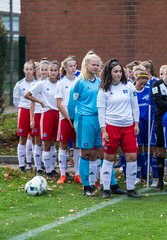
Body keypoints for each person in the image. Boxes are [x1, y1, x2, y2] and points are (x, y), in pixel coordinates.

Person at [98, 58, 141, 199]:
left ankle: (131, 189)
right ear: (109, 73)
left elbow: (135, 106)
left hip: (128, 127)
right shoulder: (104, 90)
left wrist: (136, 123)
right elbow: (101, 111)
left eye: (119, 71)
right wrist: (103, 130)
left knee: (132, 156)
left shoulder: (128, 86)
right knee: (109, 158)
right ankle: (106, 189)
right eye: (115, 71)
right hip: (111, 127)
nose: (117, 74)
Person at [67, 51, 102, 196]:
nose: (96, 67)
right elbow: (71, 104)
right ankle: (86, 186)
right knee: (86, 152)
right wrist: (74, 119)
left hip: (98, 119)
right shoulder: (79, 82)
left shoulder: (99, 82)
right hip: (84, 119)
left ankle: (96, 183)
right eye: (93, 65)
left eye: (98, 65)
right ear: (86, 65)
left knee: (99, 152)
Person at [25, 60, 60, 179]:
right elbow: (27, 95)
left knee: (53, 143)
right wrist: (39, 101)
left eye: (55, 70)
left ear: (58, 71)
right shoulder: (42, 84)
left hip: (58, 114)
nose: (53, 72)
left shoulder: (61, 83)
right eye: (51, 70)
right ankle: (46, 170)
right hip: (46, 114)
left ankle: (52, 168)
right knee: (44, 142)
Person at [55, 56, 80, 184]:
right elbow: (59, 103)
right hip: (65, 118)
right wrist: (67, 117)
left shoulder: (79, 81)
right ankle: (63, 174)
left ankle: (77, 173)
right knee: (63, 145)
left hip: (78, 117)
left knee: (77, 145)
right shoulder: (61, 83)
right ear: (65, 68)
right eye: (70, 66)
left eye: (75, 65)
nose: (73, 68)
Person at [13, 60, 36, 172]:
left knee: (32, 137)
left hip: (34, 111)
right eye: (26, 69)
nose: (28, 71)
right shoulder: (19, 84)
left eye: (30, 69)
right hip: (23, 111)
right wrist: (22, 108)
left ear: (34, 70)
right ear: (23, 70)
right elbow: (16, 100)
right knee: (22, 137)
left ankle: (29, 162)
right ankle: (21, 164)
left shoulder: (37, 83)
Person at [30, 59, 49, 174]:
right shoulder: (35, 84)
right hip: (38, 114)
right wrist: (31, 118)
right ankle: (38, 167)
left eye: (46, 69)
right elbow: (31, 103)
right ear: (39, 71)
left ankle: (49, 166)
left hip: (48, 114)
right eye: (42, 69)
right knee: (38, 141)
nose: (44, 72)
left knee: (49, 142)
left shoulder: (54, 83)